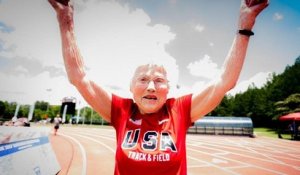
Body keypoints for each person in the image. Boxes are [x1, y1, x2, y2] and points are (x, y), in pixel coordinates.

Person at [48, 0, 269, 174]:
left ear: (168, 89)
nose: (151, 87)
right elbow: (79, 77)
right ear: (131, 88)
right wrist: (65, 19)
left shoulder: (179, 111)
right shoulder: (121, 110)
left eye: (159, 80)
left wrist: (244, 27)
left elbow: (224, 81)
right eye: (143, 80)